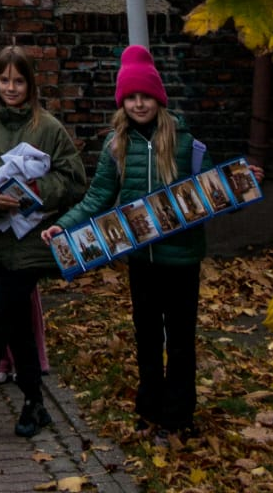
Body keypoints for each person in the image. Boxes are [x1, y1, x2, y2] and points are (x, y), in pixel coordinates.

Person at [45, 46, 201, 439]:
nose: (138, 103)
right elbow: (98, 196)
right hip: (141, 259)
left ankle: (179, 416)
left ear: (158, 98)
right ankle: (150, 409)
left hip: (181, 261)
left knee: (181, 339)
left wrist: (241, 185)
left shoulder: (187, 143)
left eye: (144, 96)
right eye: (130, 97)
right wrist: (64, 225)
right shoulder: (117, 146)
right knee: (147, 335)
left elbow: (210, 192)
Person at [0, 47, 84, 441]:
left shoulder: (48, 127)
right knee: (17, 324)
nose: (12, 88)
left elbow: (76, 180)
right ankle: (35, 403)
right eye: (5, 81)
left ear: (30, 84)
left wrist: (37, 190)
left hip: (34, 244)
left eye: (19, 81)